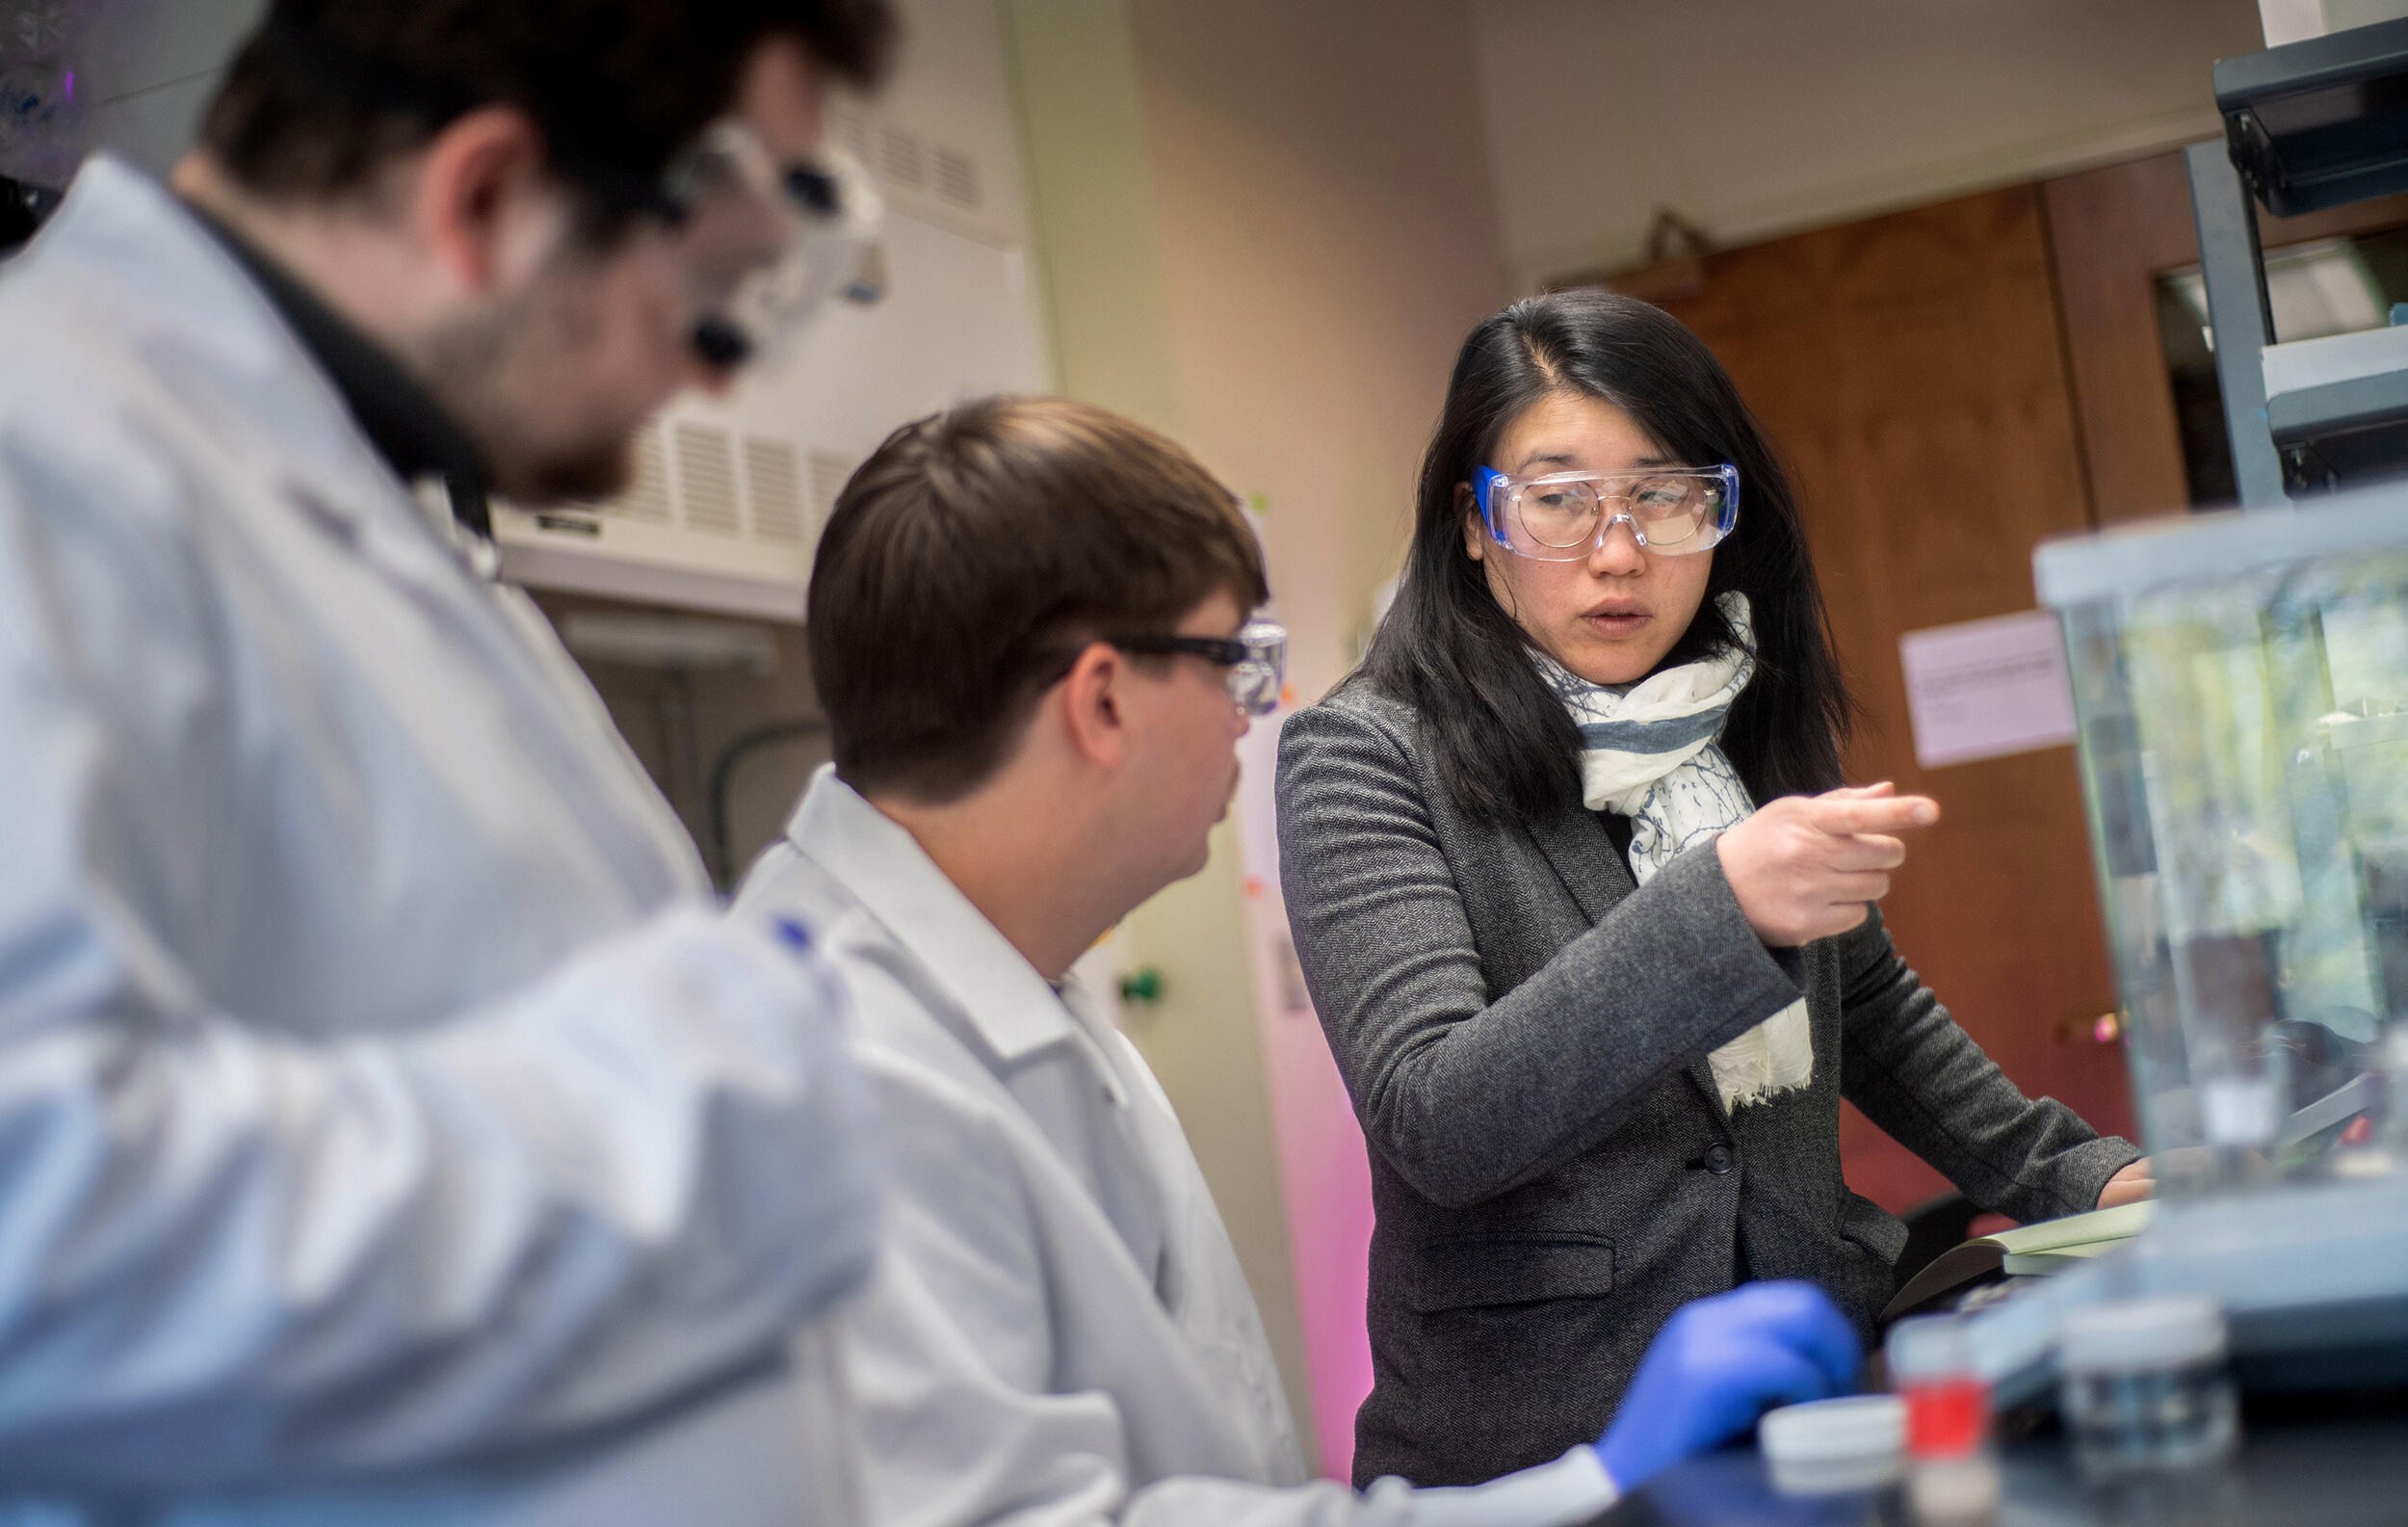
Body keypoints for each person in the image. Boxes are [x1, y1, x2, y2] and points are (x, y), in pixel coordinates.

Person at [0, 0, 895, 1517]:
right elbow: (38, 1228)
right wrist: (671, 1116)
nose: (721, 375)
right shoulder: (46, 454)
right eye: (715, 290)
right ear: (480, 198)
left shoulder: (370, 516)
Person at [734, 394, 1867, 1527]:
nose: (1255, 715)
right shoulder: (842, 1078)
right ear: (1101, 700)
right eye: (1235, 661)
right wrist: (1597, 1485)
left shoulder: (1012, 998)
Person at [1273, 289, 2153, 1489]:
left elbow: (1871, 1006)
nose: (1618, 549)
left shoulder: (1729, 718)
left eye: (1661, 494)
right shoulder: (1365, 750)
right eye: (1559, 499)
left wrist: (2072, 1171)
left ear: (1718, 513)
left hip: (1813, 1386)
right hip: (1538, 1444)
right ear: (1473, 524)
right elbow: (1436, 1115)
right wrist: (1716, 909)